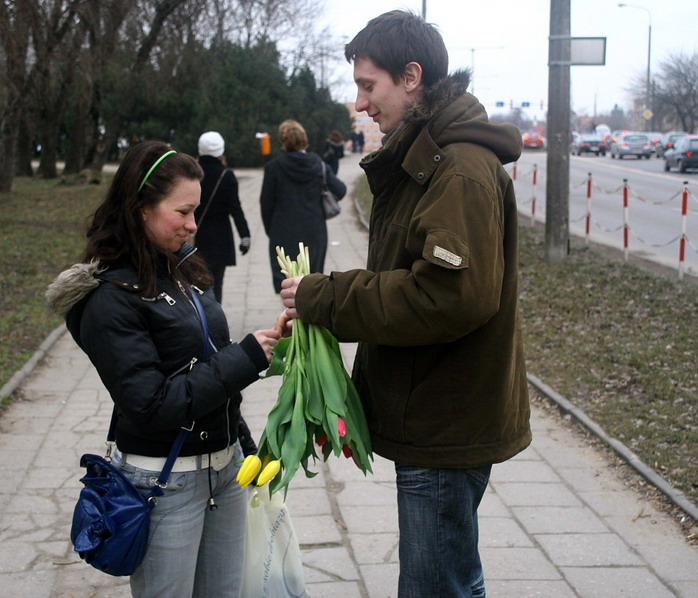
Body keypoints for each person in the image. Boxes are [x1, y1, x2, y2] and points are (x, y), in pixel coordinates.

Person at [278, 11, 531, 597]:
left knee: (435, 587)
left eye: (369, 85)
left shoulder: (458, 169)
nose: (360, 102)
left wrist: (329, 296)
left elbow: (448, 296)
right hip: (436, 407)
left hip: (444, 417)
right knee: (447, 581)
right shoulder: (431, 156)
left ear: (411, 76)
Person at [46, 141, 286, 598]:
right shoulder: (109, 298)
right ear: (140, 209)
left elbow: (208, 361)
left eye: (196, 212)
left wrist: (246, 444)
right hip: (165, 482)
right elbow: (151, 406)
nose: (194, 224)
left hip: (226, 471)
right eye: (183, 212)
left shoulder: (182, 267)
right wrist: (247, 356)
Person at [260, 119, 346, 293]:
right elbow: (341, 189)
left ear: (283, 140)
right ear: (304, 139)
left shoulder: (273, 167)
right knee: (311, 283)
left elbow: (266, 204)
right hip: (314, 231)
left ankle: (290, 318)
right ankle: (308, 317)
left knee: (286, 283)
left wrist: (272, 231)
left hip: (283, 232)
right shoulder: (318, 164)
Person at [193, 131, 251, 303]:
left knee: (194, 283)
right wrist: (245, 235)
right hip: (220, 238)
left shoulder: (191, 175)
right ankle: (215, 321)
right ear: (221, 150)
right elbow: (236, 209)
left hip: (194, 236)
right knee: (216, 284)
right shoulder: (226, 176)